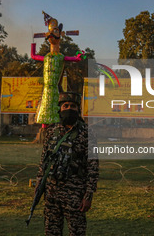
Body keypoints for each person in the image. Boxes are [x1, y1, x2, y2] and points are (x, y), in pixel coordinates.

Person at [36, 92, 99, 236]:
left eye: (73, 106)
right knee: (51, 232)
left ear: (78, 110)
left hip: (75, 194)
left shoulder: (87, 133)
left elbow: (93, 167)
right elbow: (44, 159)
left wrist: (88, 196)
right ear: (60, 109)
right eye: (65, 105)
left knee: (76, 232)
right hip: (51, 193)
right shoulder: (52, 131)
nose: (69, 108)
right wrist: (40, 182)